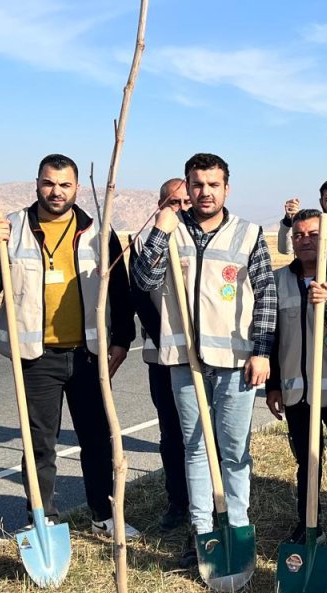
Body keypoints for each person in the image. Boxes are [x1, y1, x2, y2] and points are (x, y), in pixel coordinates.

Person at [0, 153, 139, 538]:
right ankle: (42, 519)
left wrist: (122, 339)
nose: (56, 191)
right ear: (37, 183)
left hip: (88, 356)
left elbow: (119, 289)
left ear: (77, 187)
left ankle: (104, 516)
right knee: (39, 445)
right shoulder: (11, 228)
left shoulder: (98, 231)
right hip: (36, 357)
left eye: (65, 185)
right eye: (49, 183)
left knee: (97, 441)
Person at [131, 152, 276, 566]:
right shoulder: (170, 231)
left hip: (235, 360)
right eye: (197, 185)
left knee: (233, 449)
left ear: (226, 188)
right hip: (185, 360)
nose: (205, 192)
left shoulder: (247, 233)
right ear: (188, 188)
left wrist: (261, 352)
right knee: (194, 447)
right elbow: (144, 280)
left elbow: (266, 295)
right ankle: (202, 532)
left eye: (213, 184)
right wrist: (161, 229)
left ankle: (236, 526)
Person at [265, 209, 327, 546]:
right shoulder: (279, 280)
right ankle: (308, 525)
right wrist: (273, 385)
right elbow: (273, 336)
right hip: (297, 393)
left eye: (313, 234)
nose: (305, 240)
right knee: (307, 463)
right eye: (299, 235)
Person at [131, 178, 191, 532]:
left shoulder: (200, 236)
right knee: (172, 434)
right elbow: (141, 297)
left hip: (204, 356)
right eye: (173, 202)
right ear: (160, 204)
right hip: (163, 356)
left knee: (206, 434)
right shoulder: (143, 240)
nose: (181, 208)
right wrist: (169, 341)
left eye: (186, 202)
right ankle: (178, 501)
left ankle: (210, 501)